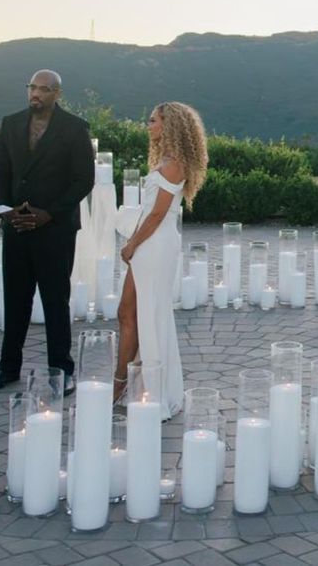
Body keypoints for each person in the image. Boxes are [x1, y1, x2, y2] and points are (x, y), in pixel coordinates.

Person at [0, 69, 95, 394]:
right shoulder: (10, 123)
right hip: (16, 227)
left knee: (55, 301)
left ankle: (61, 371)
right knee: (15, 300)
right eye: (32, 87)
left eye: (44, 89)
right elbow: (0, 172)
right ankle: (8, 368)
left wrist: (48, 214)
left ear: (57, 94)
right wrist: (6, 210)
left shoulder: (75, 128)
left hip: (56, 230)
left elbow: (83, 179)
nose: (35, 93)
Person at [116, 102, 208, 418]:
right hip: (150, 243)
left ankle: (141, 388)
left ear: (170, 126)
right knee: (129, 311)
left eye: (153, 120)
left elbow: (157, 214)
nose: (149, 125)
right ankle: (129, 382)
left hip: (154, 245)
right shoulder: (168, 161)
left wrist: (131, 245)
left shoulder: (174, 165)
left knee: (149, 315)